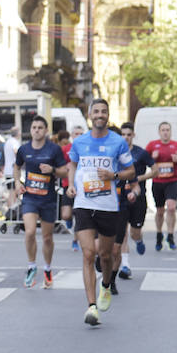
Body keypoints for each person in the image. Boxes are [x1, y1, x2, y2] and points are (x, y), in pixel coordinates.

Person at [66, 99, 136, 325]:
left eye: (103, 111)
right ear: (90, 115)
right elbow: (72, 164)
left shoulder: (118, 142)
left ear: (108, 115)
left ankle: (106, 285)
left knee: (105, 255)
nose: (99, 115)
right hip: (83, 204)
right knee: (88, 254)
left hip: (108, 206)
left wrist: (113, 176)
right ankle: (91, 306)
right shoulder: (80, 142)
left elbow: (130, 171)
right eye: (96, 111)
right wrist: (71, 184)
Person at [12, 115, 68, 288]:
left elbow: (64, 171)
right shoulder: (24, 149)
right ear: (30, 130)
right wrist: (17, 183)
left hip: (48, 199)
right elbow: (16, 166)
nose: (36, 130)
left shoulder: (54, 149)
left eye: (40, 128)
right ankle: (31, 266)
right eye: (34, 127)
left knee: (47, 237)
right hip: (30, 197)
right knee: (29, 232)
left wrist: (52, 170)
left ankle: (48, 268)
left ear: (46, 130)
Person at [114, 122, 153, 279]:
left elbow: (156, 170)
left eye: (128, 135)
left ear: (133, 135)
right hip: (121, 197)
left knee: (134, 233)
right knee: (122, 232)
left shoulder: (141, 153)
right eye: (123, 135)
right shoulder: (116, 153)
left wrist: (139, 178)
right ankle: (125, 265)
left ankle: (138, 240)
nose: (126, 138)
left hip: (138, 197)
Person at [146, 122, 177, 251]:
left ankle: (170, 235)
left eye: (167, 130)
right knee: (160, 211)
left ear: (170, 132)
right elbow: (144, 159)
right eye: (163, 130)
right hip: (158, 181)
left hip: (172, 181)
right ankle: (159, 233)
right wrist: (152, 158)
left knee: (171, 207)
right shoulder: (152, 145)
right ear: (159, 132)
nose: (165, 132)